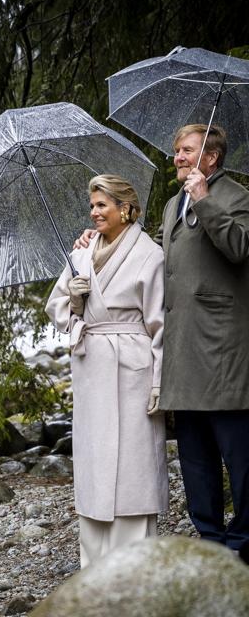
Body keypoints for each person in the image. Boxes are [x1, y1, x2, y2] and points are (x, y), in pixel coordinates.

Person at [75, 124, 249, 554]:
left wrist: (206, 200)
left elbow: (240, 247)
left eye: (186, 150)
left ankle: (243, 545)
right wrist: (100, 240)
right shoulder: (174, 204)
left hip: (224, 351)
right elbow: (154, 257)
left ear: (210, 157)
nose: (176, 157)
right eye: (175, 151)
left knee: (241, 461)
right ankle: (210, 543)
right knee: (195, 461)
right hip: (180, 355)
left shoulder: (237, 197)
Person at [46, 174, 168, 568]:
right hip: (92, 363)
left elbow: (159, 322)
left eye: (102, 205)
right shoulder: (79, 255)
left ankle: (134, 564)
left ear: (125, 209)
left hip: (133, 362)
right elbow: (57, 311)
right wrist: (76, 303)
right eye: (92, 205)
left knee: (134, 463)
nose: (94, 212)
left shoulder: (149, 254)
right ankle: (94, 566)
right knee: (96, 460)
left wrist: (158, 380)